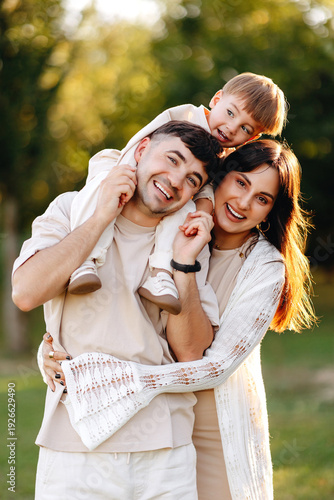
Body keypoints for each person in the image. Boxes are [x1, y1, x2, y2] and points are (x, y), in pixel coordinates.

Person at [41, 139, 316, 499]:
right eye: (241, 183)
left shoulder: (264, 268)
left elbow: (215, 366)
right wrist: (55, 348)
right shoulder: (168, 226)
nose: (244, 203)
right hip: (160, 427)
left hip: (218, 431)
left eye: (262, 199)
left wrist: (119, 379)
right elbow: (121, 314)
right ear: (218, 180)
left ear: (271, 212)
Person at [12, 121, 223, 500]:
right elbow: (26, 293)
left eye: (192, 179)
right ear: (140, 151)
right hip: (75, 444)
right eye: (172, 159)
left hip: (165, 451)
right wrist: (99, 218)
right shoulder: (71, 209)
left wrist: (184, 267)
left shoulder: (188, 240)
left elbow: (190, 353)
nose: (176, 180)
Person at [67, 72, 288, 315]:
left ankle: (160, 273)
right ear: (217, 99)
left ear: (253, 137)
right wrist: (127, 175)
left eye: (245, 128)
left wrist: (202, 210)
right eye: (230, 113)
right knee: (104, 187)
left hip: (170, 197)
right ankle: (86, 258)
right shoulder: (185, 116)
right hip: (131, 167)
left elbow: (205, 187)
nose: (230, 127)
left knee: (184, 213)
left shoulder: (223, 156)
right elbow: (145, 141)